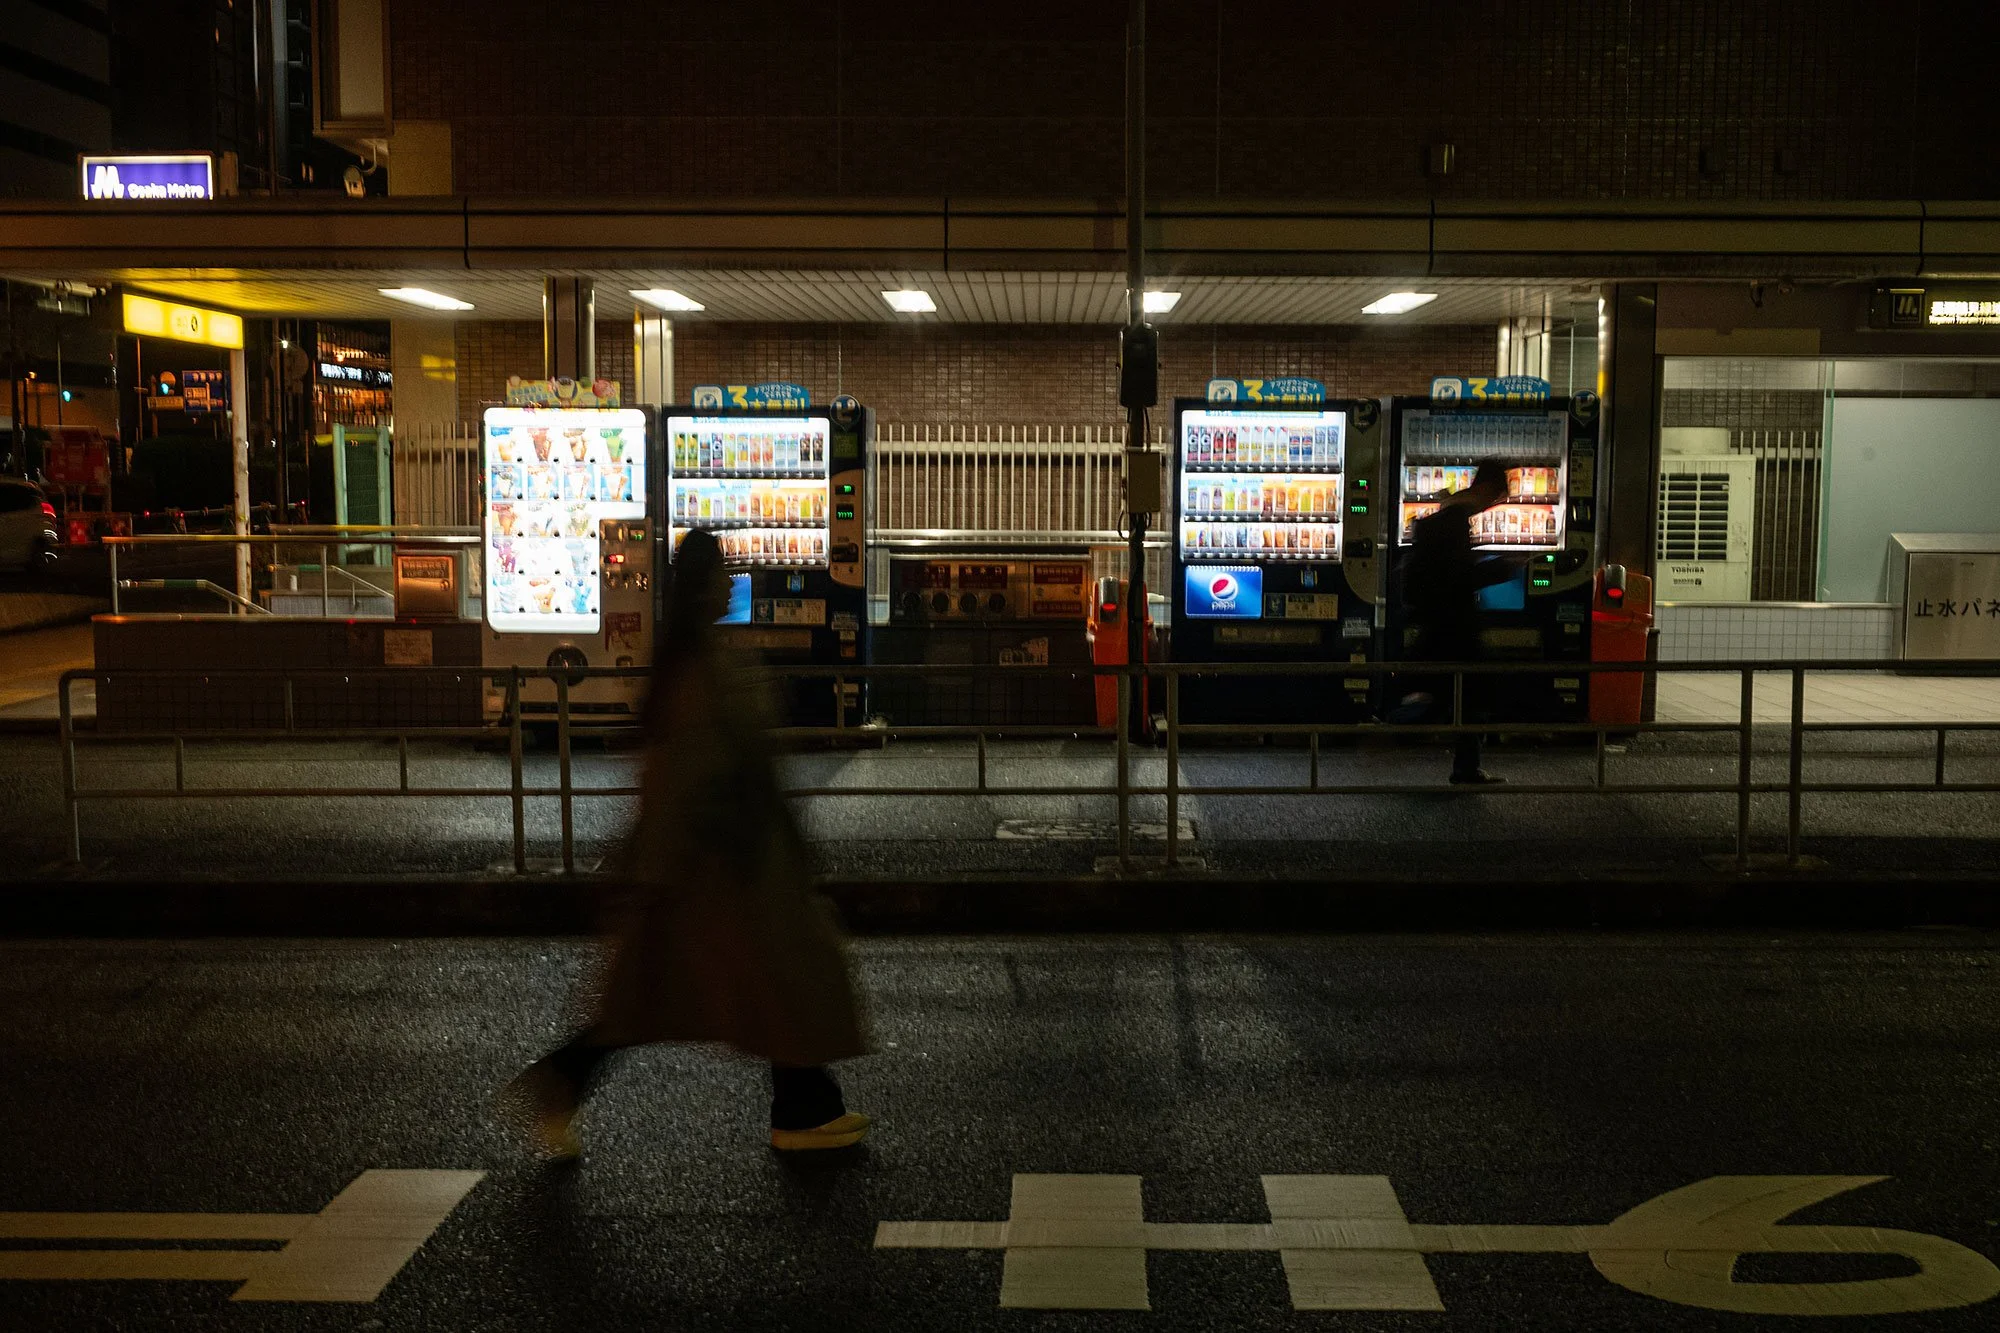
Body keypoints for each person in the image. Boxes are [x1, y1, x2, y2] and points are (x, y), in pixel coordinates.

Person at [503, 528, 870, 1157]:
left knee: (709, 994)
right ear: (704, 586)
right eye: (723, 573)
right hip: (721, 867)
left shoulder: (692, 660)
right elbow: (695, 776)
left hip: (720, 863)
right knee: (726, 989)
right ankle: (564, 1079)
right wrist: (665, 872)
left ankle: (806, 1104)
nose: (733, 582)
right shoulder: (704, 670)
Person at [1392, 458, 1520, 785]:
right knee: (1467, 691)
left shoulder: (1451, 514)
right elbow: (1458, 577)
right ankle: (1395, 732)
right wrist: (1504, 567)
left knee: (1455, 692)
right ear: (1488, 489)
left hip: (1442, 623)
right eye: (1497, 496)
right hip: (1453, 625)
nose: (1496, 502)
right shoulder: (1454, 520)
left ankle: (1462, 764)